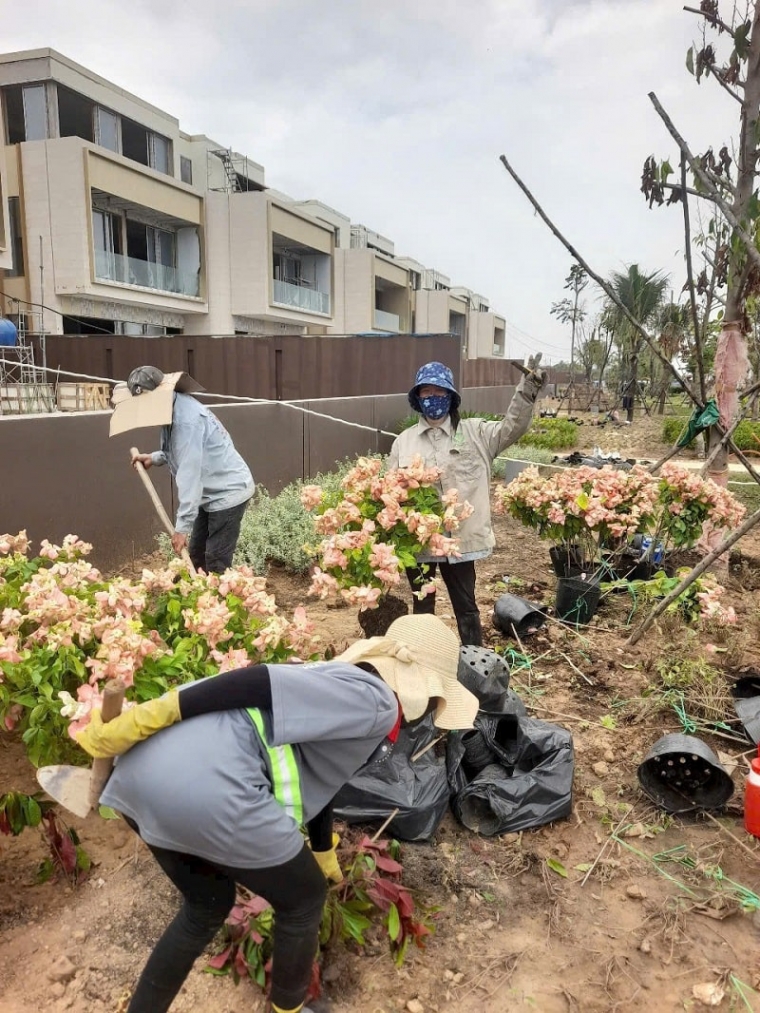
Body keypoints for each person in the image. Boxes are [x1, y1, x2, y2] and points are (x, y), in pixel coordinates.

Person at [75, 614, 479, 1013]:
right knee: (303, 899)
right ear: (421, 687)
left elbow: (326, 774)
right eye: (436, 699)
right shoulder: (375, 699)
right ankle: (287, 1009)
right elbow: (254, 680)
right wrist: (155, 712)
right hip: (214, 788)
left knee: (206, 905)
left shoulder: (340, 681)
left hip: (141, 779)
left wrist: (323, 847)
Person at [387, 358, 545, 647]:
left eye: (439, 392)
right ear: (418, 398)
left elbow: (513, 427)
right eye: (426, 393)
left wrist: (527, 390)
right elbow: (389, 492)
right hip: (419, 543)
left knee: (466, 606)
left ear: (451, 396)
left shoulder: (477, 434)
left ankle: (474, 661)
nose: (433, 398)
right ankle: (426, 662)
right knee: (422, 607)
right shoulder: (404, 442)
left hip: (460, 542)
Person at [126, 366, 254, 574]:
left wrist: (181, 529)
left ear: (161, 392)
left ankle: (218, 604)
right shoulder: (173, 406)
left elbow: (190, 478)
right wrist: (154, 457)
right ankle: (197, 600)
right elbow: (180, 450)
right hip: (210, 491)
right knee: (196, 556)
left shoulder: (187, 421)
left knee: (215, 561)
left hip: (228, 492)